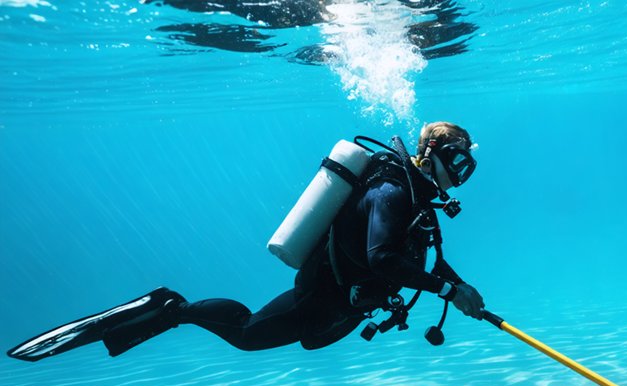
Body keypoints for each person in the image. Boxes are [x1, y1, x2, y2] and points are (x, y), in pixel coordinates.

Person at [8, 122, 486, 362]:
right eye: (456, 161)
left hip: (344, 299)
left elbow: (423, 258)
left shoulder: (419, 205)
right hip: (323, 292)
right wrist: (448, 291)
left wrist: (462, 288)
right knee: (247, 336)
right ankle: (173, 307)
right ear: (430, 154)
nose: (460, 175)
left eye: (467, 167)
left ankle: (173, 310)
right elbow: (382, 258)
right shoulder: (392, 193)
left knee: (299, 340)